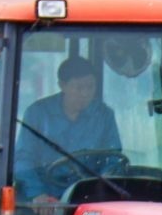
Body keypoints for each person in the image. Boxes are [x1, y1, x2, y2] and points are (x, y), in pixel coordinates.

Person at [15, 55, 122, 198]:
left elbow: (113, 159)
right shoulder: (38, 113)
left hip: (86, 195)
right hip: (44, 196)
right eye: (79, 87)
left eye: (90, 87)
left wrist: (100, 189)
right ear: (62, 85)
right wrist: (37, 194)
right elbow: (23, 160)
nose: (85, 93)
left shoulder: (104, 115)